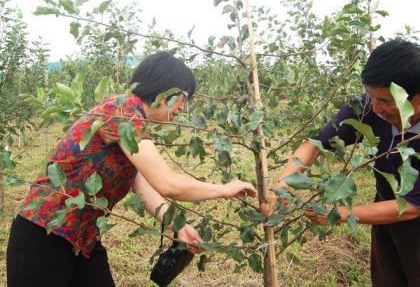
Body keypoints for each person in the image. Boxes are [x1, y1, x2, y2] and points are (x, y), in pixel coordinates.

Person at [7, 52, 257, 287]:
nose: (183, 108)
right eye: (184, 98)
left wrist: (177, 226)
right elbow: (167, 183)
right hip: (44, 234)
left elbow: (144, 186)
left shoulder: (132, 122)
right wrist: (225, 189)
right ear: (166, 89)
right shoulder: (124, 111)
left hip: (82, 239)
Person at [261, 40, 420, 286]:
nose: (375, 107)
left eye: (385, 100)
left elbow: (411, 206)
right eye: (371, 96)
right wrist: (282, 186)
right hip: (385, 217)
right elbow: (315, 143)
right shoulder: (368, 107)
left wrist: (341, 214)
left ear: (417, 99)